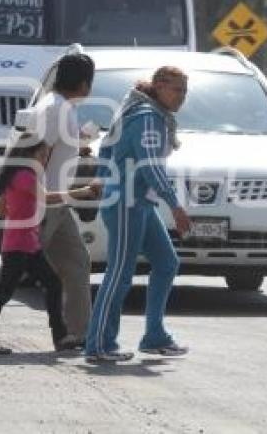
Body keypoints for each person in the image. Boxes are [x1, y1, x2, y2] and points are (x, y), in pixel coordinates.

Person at [0, 52, 96, 351]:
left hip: (57, 204)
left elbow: (42, 149)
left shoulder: (57, 107)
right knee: (16, 267)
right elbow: (31, 153)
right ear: (84, 83)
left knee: (76, 263)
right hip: (43, 203)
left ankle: (78, 333)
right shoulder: (56, 110)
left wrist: (77, 149)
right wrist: (9, 193)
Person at [84, 66, 192, 362]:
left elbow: (106, 150)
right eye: (176, 89)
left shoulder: (149, 114)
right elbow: (151, 166)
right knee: (119, 273)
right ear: (158, 86)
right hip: (125, 204)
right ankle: (98, 345)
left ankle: (154, 336)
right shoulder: (147, 117)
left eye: (184, 91)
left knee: (167, 262)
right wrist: (176, 206)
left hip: (140, 202)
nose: (181, 97)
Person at [0, 136, 100, 355]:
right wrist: (84, 192)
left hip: (29, 245)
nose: (44, 160)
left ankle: (60, 337)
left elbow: (3, 208)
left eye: (46, 156)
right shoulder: (24, 175)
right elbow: (47, 198)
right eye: (41, 155)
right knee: (4, 292)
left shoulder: (19, 175)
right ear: (26, 154)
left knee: (53, 284)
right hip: (18, 246)